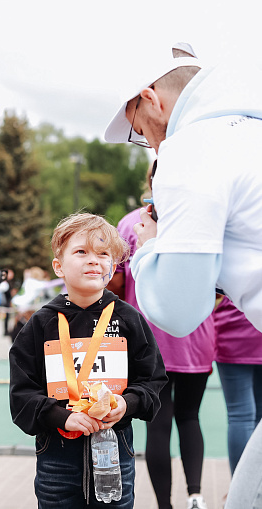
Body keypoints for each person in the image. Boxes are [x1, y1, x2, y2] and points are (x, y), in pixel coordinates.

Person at [104, 42, 262, 509]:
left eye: (140, 132)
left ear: (151, 98)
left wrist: (150, 243)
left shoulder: (188, 150)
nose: (150, 146)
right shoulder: (250, 132)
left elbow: (176, 312)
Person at [9, 212, 167, 509]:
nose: (94, 260)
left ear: (113, 265)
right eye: (81, 252)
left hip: (115, 451)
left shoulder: (129, 319)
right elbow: (21, 395)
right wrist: (62, 416)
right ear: (58, 266)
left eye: (103, 253)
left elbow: (153, 381)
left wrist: (126, 404)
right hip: (56, 454)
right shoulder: (40, 324)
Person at [109, 163, 215, 509]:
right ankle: (196, 495)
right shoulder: (202, 219)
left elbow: (118, 283)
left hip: (146, 339)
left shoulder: (131, 224)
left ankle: (165, 506)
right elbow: (219, 285)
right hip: (195, 336)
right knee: (189, 417)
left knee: (158, 425)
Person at [213, 296, 262, 476]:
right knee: (258, 419)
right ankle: (255, 491)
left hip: (233, 329)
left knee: (240, 416)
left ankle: (240, 489)